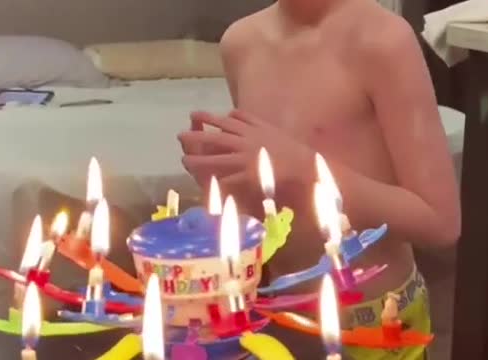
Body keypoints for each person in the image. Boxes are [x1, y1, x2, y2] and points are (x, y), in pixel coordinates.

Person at [178, 0, 461, 358]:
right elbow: (273, 209)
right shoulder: (240, 43)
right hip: (278, 317)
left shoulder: (384, 40)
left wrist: (304, 169)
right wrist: (223, 187)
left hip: (375, 324)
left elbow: (440, 222)